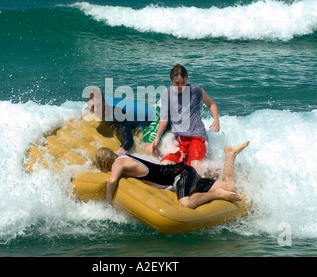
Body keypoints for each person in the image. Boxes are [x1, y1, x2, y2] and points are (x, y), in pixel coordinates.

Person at [93, 141, 249, 209]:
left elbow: (112, 181)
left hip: (180, 176)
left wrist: (109, 201)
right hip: (185, 172)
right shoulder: (127, 157)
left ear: (104, 163)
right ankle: (230, 155)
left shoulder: (118, 163)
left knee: (185, 204)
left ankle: (219, 195)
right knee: (232, 187)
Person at [152, 64, 220, 172]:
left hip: (197, 137)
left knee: (195, 169)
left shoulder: (195, 89)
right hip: (180, 139)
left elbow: (211, 104)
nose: (180, 86)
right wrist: (157, 137)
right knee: (165, 166)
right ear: (171, 80)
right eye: (177, 83)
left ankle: (221, 168)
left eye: (183, 82)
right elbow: (164, 119)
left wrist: (216, 120)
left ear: (186, 79)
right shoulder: (167, 94)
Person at [79, 88, 158, 156]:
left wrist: (117, 154)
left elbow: (129, 141)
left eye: (98, 105)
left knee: (148, 150)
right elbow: (87, 110)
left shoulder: (116, 113)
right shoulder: (98, 101)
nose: (96, 109)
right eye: (92, 106)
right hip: (147, 109)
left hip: (156, 117)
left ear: (104, 101)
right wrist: (77, 118)